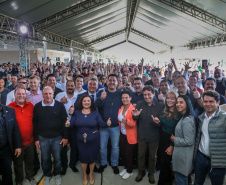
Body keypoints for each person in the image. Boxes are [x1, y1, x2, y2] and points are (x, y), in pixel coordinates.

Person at [68, 94, 111, 185]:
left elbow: (102, 124)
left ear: (91, 102)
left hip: (94, 140)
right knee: (83, 158)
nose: (86, 102)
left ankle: (91, 174)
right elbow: (71, 124)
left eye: (88, 101)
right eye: (84, 101)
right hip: (80, 140)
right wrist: (67, 124)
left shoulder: (95, 112)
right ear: (81, 102)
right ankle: (84, 174)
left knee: (92, 158)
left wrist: (107, 123)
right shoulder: (77, 112)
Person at [33, 86, 68, 185]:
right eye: (46, 94)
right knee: (45, 159)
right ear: (42, 95)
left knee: (57, 159)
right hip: (43, 138)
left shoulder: (60, 106)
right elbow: (35, 123)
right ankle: (47, 175)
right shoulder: (37, 106)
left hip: (57, 138)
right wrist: (36, 139)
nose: (48, 96)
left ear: (53, 94)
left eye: (50, 93)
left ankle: (57, 174)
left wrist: (65, 137)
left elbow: (64, 121)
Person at [132, 85, 164, 184]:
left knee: (152, 156)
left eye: (149, 94)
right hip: (142, 135)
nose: (146, 97)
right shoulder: (139, 104)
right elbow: (135, 119)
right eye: (144, 94)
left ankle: (151, 173)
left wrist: (158, 122)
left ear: (153, 94)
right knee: (141, 155)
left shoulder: (160, 105)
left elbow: (163, 123)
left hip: (154, 136)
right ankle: (141, 172)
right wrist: (135, 116)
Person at [194, 90, 226, 185]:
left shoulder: (224, 118)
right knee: (197, 182)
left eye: (211, 101)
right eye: (205, 101)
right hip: (201, 157)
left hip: (218, 160)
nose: (208, 104)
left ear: (218, 102)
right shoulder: (201, 117)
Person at [8, 87, 36, 185]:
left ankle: (29, 176)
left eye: (23, 94)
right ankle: (19, 181)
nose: (21, 96)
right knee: (18, 164)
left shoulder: (30, 106)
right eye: (19, 94)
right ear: (14, 95)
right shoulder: (9, 107)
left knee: (30, 161)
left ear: (26, 95)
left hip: (30, 141)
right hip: (17, 144)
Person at [95, 74, 122, 174]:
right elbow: (95, 105)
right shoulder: (101, 92)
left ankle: (114, 164)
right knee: (102, 147)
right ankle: (103, 163)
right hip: (103, 126)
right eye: (110, 80)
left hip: (115, 126)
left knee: (115, 147)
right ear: (107, 82)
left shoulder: (120, 93)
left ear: (117, 82)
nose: (111, 82)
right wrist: (101, 99)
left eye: (114, 80)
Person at [152, 91, 180, 185]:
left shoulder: (179, 113)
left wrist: (172, 145)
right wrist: (157, 122)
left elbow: (178, 132)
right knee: (164, 161)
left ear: (176, 100)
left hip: (171, 139)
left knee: (165, 162)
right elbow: (161, 125)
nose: (169, 100)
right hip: (162, 138)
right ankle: (168, 180)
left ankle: (162, 182)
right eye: (168, 98)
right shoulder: (164, 110)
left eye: (172, 98)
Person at [170, 95, 196, 185]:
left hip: (183, 156)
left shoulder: (187, 120)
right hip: (182, 155)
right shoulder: (184, 117)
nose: (178, 104)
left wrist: (174, 139)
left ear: (187, 104)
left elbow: (189, 141)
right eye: (177, 102)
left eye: (181, 102)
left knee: (181, 180)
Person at [55, 80, 78, 175]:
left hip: (74, 125)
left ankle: (72, 164)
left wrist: (75, 110)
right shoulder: (59, 96)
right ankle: (64, 166)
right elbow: (54, 109)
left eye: (72, 85)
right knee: (63, 147)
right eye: (68, 85)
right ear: (65, 87)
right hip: (62, 126)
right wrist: (60, 102)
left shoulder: (78, 97)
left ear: (75, 87)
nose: (70, 87)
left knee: (74, 146)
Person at [0, 101, 22, 185]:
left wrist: (18, 146)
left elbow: (15, 130)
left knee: (7, 172)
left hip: (5, 149)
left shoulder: (10, 110)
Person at [118, 91, 137, 179]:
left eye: (126, 97)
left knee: (128, 154)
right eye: (123, 98)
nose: (124, 99)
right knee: (124, 153)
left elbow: (133, 124)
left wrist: (127, 121)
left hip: (130, 135)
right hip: (122, 134)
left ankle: (130, 171)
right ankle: (126, 168)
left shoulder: (133, 109)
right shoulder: (121, 108)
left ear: (130, 98)